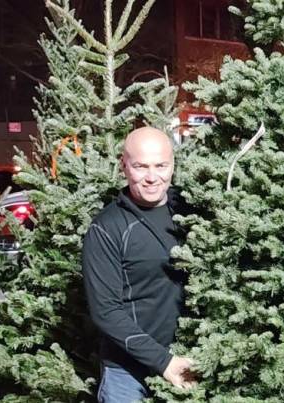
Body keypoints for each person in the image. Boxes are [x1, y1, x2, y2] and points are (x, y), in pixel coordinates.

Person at [82, 127, 195, 402]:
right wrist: (164, 362)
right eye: (141, 166)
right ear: (124, 166)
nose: (152, 177)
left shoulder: (190, 211)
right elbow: (106, 311)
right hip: (127, 375)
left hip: (189, 358)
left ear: (173, 165)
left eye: (161, 165)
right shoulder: (107, 228)